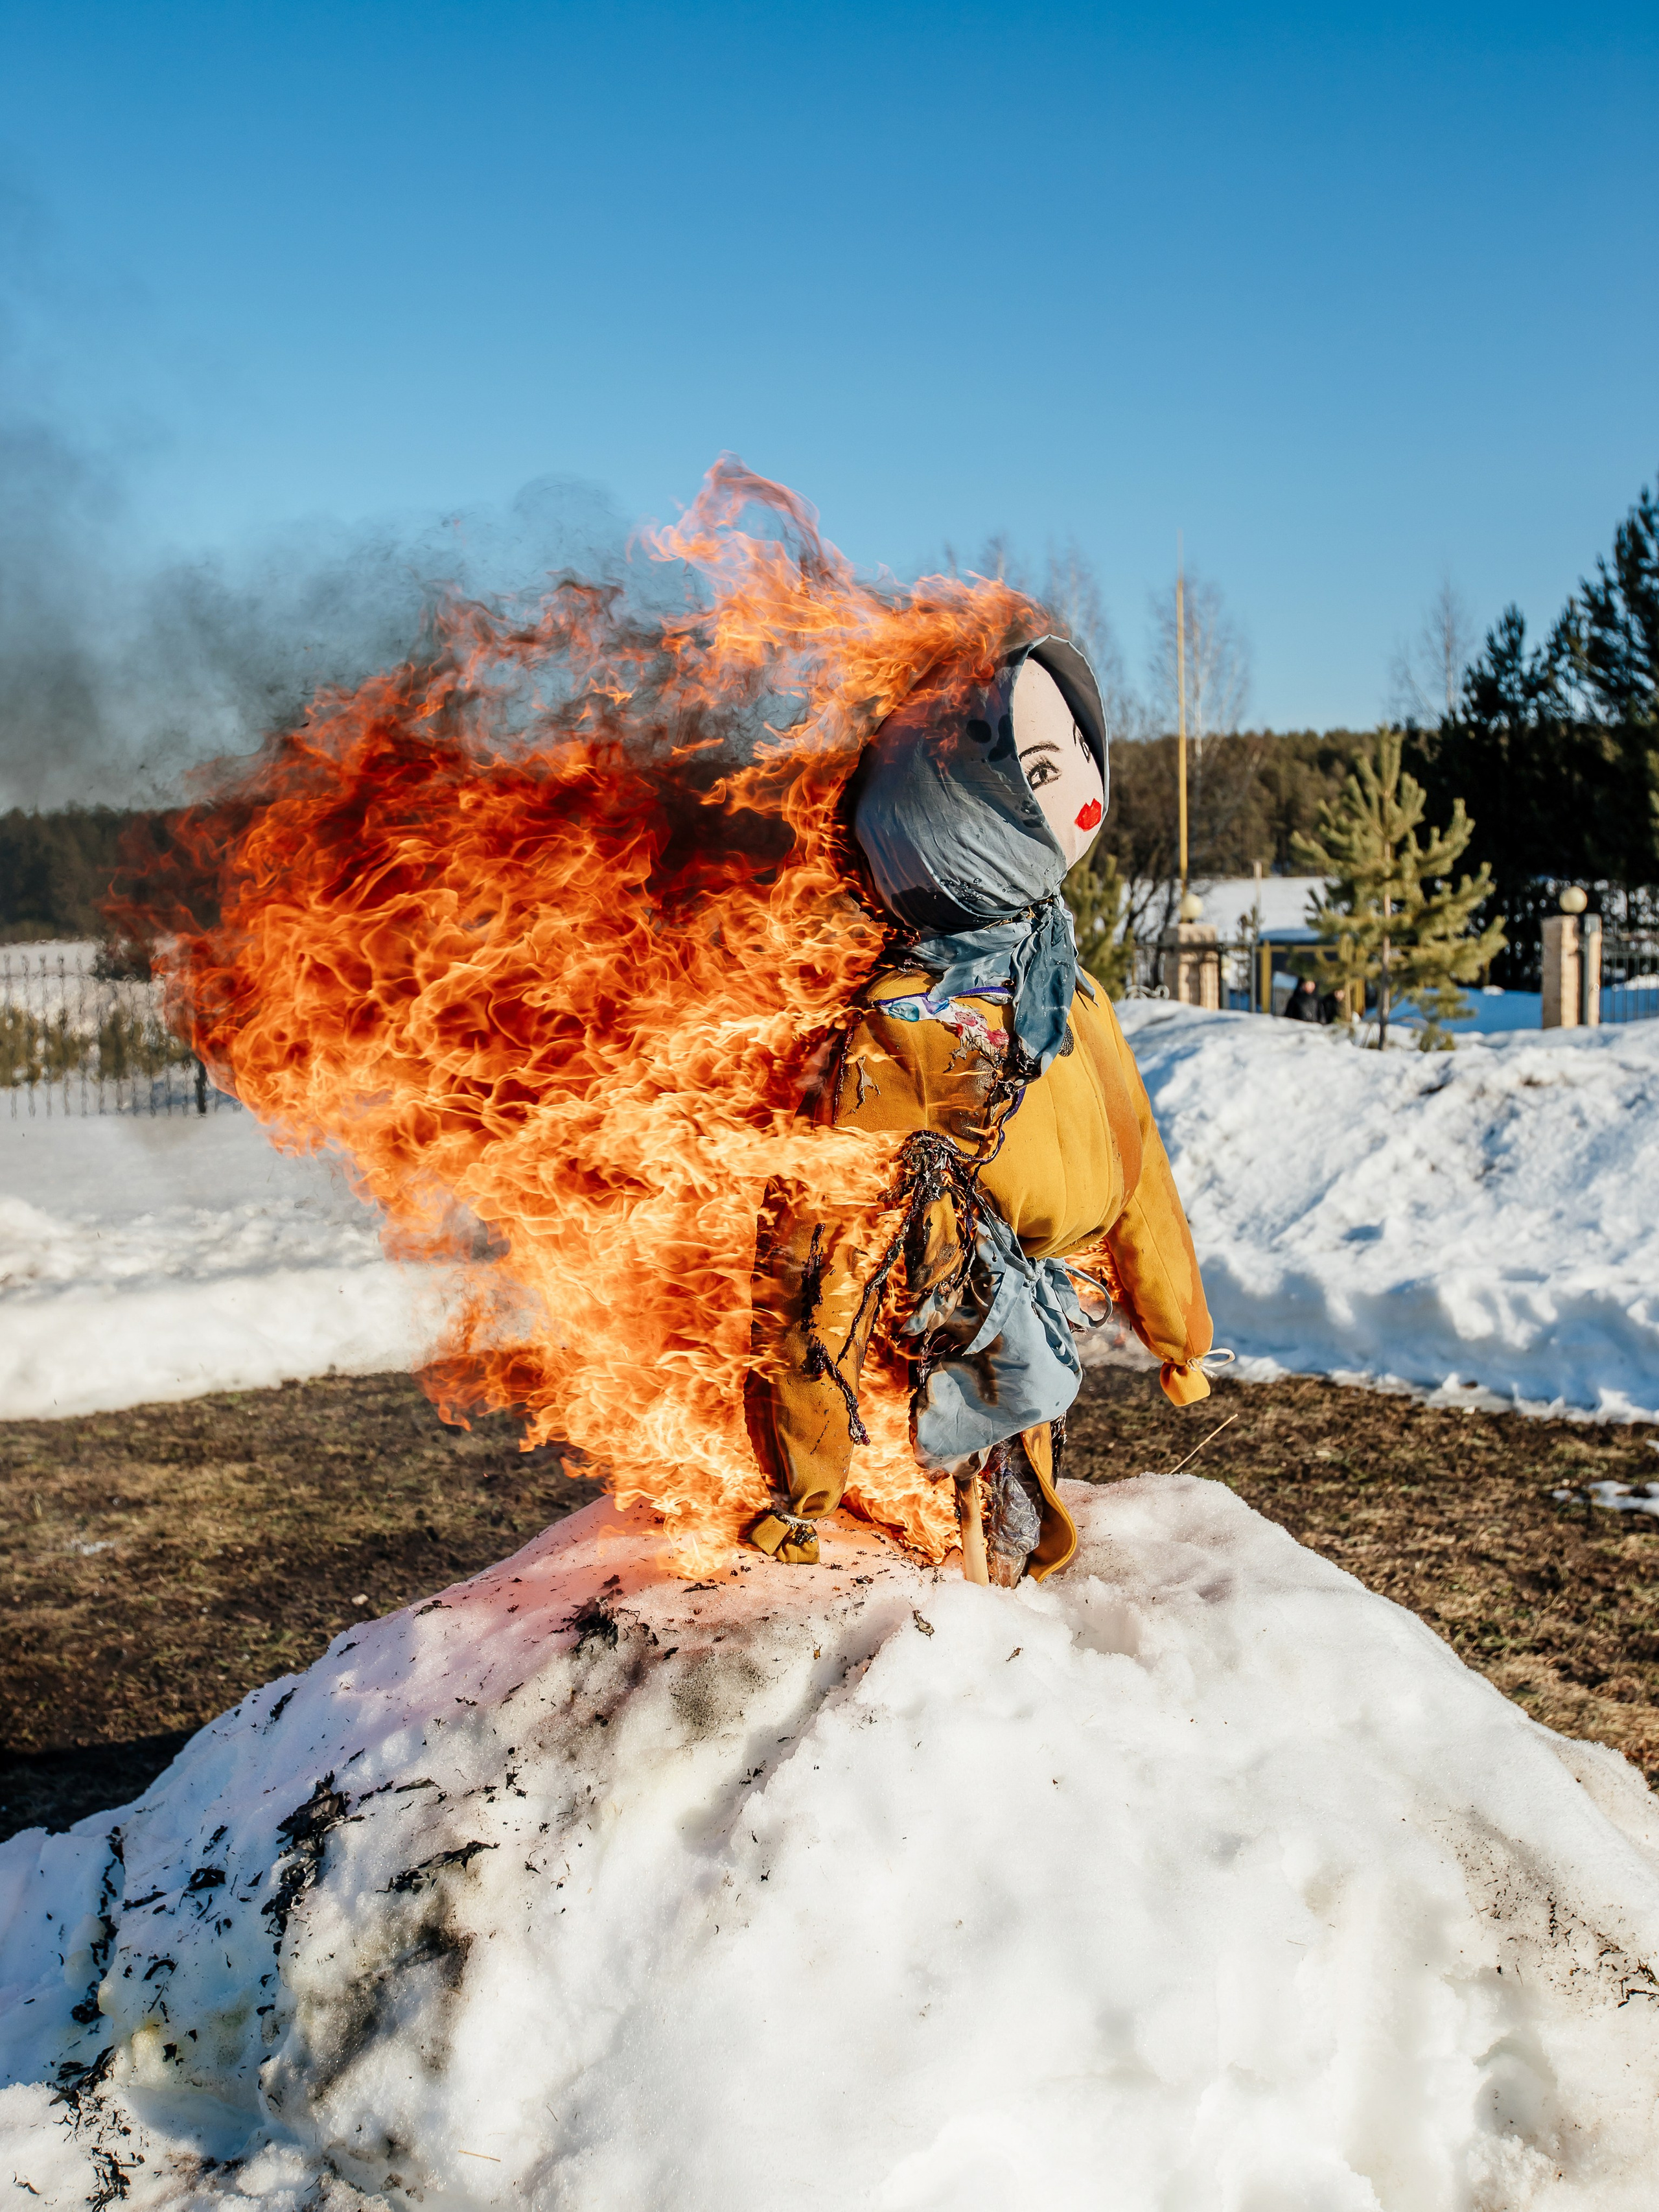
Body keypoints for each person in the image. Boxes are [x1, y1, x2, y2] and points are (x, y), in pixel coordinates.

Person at [744, 636, 1215, 1586]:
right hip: (961, 1302)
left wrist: (1178, 1333)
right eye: (1040, 770)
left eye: (1073, 761)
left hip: (1040, 1283)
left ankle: (998, 1617)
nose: (1078, 793)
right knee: (994, 1462)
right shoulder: (903, 1025)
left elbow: (1141, 1175)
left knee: (1024, 1435)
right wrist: (805, 1485)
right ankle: (972, 1621)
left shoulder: (1072, 993)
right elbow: (823, 1263)